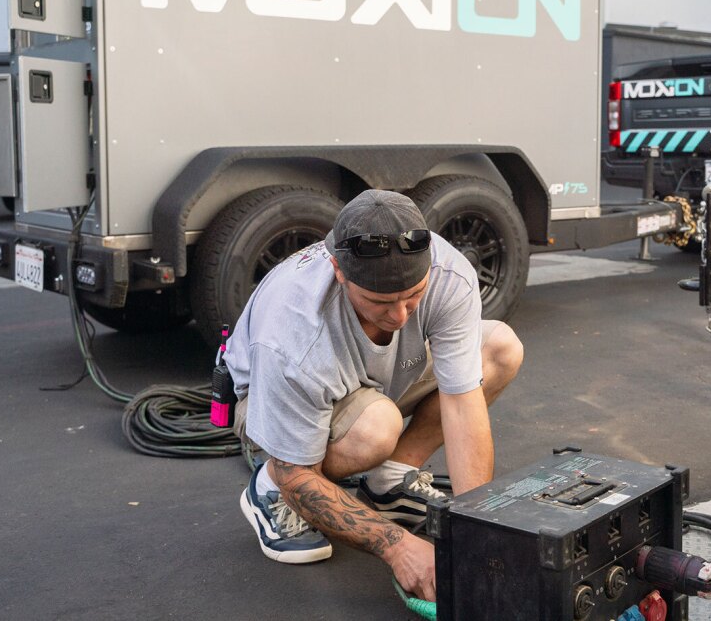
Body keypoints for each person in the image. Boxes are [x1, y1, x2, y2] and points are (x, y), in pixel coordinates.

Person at [224, 189, 524, 602]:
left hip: (380, 377)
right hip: (272, 400)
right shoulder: (291, 331)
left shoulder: (449, 272)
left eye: (413, 296)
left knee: (500, 348)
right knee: (376, 428)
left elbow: (462, 403)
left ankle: (389, 481)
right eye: (379, 301)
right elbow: (299, 475)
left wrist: (476, 531)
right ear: (339, 271)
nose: (399, 316)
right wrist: (398, 547)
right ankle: (267, 488)